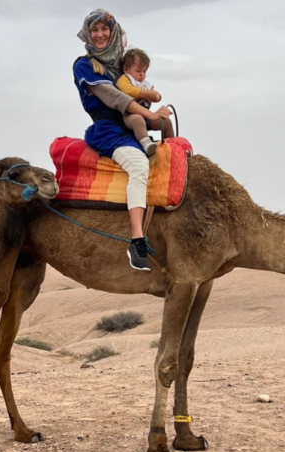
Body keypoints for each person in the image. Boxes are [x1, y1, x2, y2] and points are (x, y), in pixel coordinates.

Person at [73, 10, 171, 271]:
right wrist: (148, 112)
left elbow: (140, 95)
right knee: (139, 165)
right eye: (95, 30)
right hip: (109, 129)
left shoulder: (124, 66)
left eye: (105, 29)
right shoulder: (85, 65)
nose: (100, 34)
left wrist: (156, 112)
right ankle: (137, 240)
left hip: (132, 127)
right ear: (88, 33)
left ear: (113, 32)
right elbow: (114, 98)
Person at [115, 48, 169, 157]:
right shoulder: (125, 79)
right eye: (138, 71)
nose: (142, 75)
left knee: (166, 122)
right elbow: (128, 90)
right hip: (129, 117)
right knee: (137, 119)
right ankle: (146, 144)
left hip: (146, 116)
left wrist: (155, 96)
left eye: (144, 71)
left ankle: (172, 143)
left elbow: (156, 95)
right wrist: (147, 94)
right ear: (126, 69)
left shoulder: (144, 84)